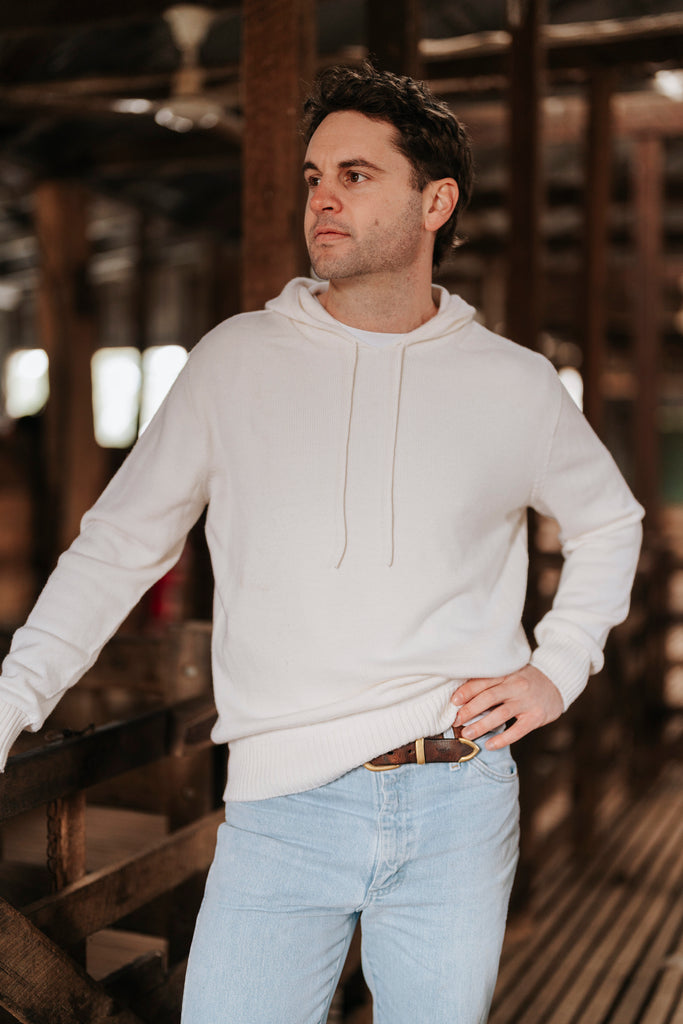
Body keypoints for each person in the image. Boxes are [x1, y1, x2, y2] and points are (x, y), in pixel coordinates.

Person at [0, 63, 643, 1023]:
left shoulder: (513, 384)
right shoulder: (233, 362)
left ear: (436, 201)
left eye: (355, 174)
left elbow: (610, 520)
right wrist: (9, 702)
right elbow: (115, 551)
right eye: (312, 177)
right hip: (279, 808)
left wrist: (559, 664)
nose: (324, 197)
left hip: (457, 795)